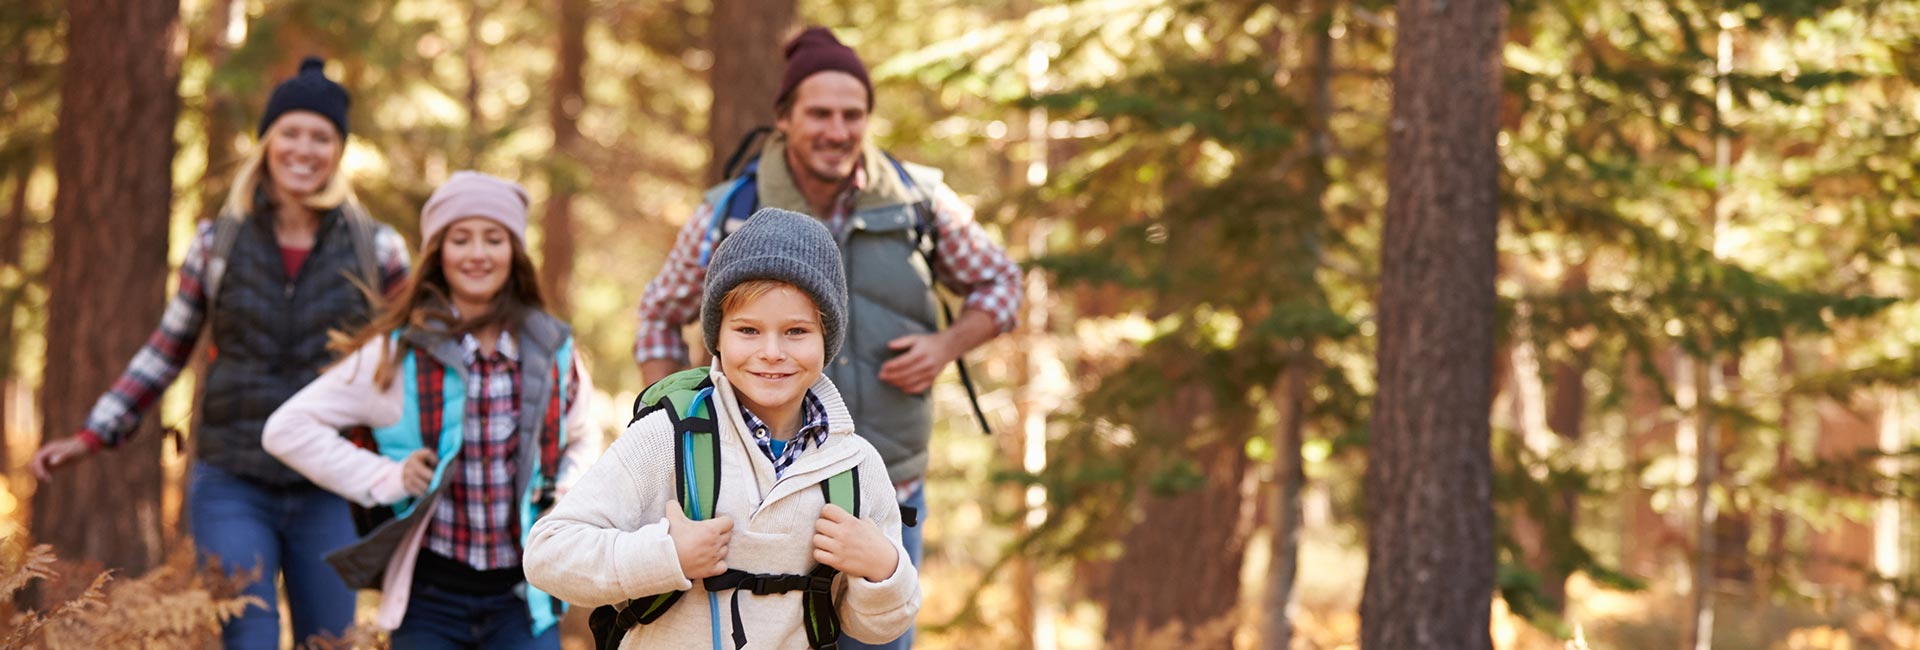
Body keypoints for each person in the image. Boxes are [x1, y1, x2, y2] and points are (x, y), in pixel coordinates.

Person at [632, 28, 1022, 647]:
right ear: (783, 118)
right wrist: (675, 413)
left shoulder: (919, 200)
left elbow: (1002, 283)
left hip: (883, 494)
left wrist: (945, 346)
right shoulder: (730, 211)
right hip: (749, 506)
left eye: (853, 114)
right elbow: (657, 313)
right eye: (819, 113)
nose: (837, 130)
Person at [29, 56, 409, 649]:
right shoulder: (217, 242)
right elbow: (166, 349)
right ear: (267, 142)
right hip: (234, 479)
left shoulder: (377, 248)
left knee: (329, 641)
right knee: (248, 637)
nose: (304, 150)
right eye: (291, 133)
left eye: (321, 137)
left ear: (339, 151)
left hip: (331, 483)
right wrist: (93, 434)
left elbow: (413, 362)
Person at [529, 208, 917, 649]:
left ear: (827, 339)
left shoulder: (855, 466)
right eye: (748, 330)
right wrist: (665, 555)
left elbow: (877, 627)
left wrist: (883, 568)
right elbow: (548, 555)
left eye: (795, 331)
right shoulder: (667, 439)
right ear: (717, 337)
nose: (771, 352)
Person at [261, 171, 600, 650]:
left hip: (526, 598)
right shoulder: (397, 355)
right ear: (438, 254)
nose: (477, 253)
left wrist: (567, 486)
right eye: (460, 239)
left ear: (515, 252)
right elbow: (287, 429)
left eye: (494, 238)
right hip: (429, 602)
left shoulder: (551, 349)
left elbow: (583, 434)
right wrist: (388, 477)